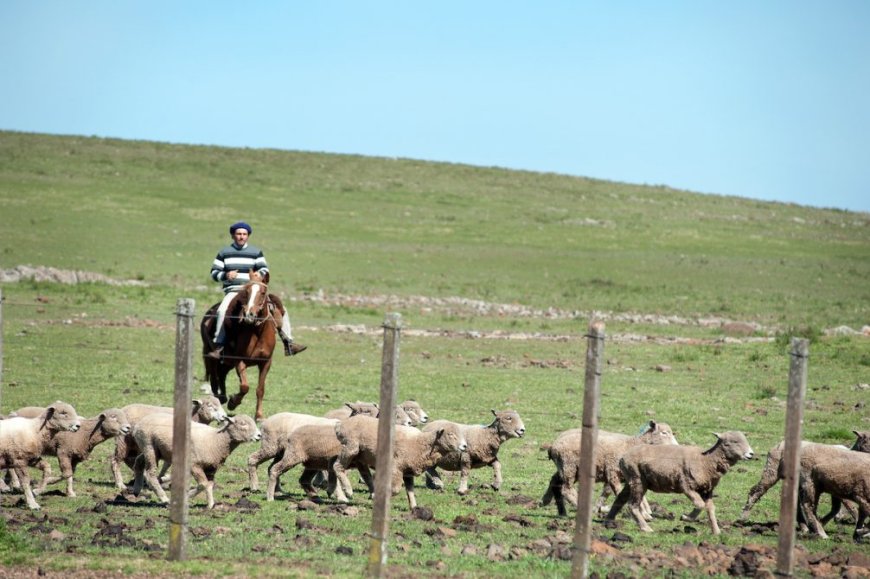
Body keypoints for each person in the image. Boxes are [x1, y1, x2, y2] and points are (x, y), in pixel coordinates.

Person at [207, 221, 306, 359]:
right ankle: (219, 346)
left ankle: (288, 342)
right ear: (232, 235)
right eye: (238, 234)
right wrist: (226, 275)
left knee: (280, 308)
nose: (241, 237)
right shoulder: (224, 252)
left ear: (248, 236)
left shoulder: (256, 252)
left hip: (255, 290)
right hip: (234, 290)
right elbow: (214, 272)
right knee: (222, 310)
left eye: (244, 234)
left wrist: (260, 274)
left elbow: (264, 268)